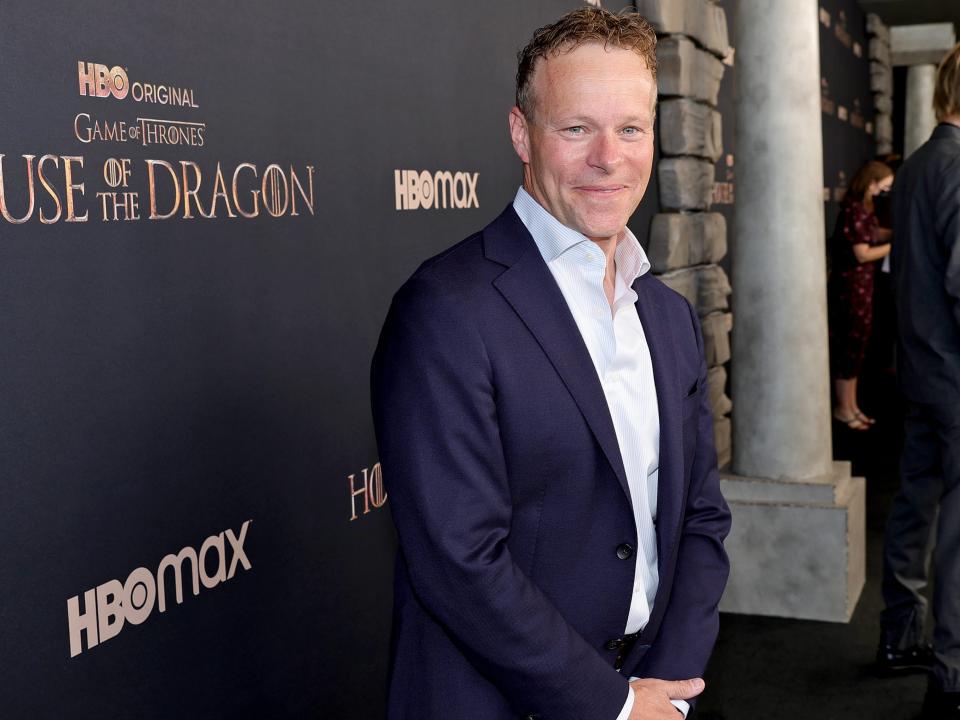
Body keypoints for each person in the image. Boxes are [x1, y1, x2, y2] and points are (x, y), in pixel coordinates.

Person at [370, 8, 731, 720]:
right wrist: (615, 705)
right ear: (521, 135)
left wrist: (671, 687)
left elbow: (699, 517)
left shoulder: (667, 314)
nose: (608, 156)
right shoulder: (445, 310)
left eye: (630, 128)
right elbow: (460, 562)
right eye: (576, 128)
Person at [877, 43, 960, 719]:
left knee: (914, 507)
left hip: (920, 369)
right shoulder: (959, 167)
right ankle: (954, 671)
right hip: (955, 379)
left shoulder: (916, 167)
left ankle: (901, 638)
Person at [828, 160, 894, 430]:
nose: (886, 191)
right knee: (848, 347)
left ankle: (852, 405)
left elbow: (872, 234)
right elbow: (862, 252)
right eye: (885, 185)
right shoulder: (854, 208)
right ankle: (843, 408)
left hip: (862, 288)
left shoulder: (864, 207)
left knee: (857, 348)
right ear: (872, 182)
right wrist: (893, 246)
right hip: (850, 290)